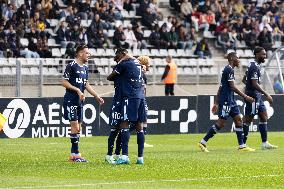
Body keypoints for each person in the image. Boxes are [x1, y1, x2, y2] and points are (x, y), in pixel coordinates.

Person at [198, 52, 255, 152]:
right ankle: (202, 142)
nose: (239, 60)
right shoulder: (228, 70)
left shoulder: (228, 69)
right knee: (221, 123)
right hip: (226, 101)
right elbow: (232, 87)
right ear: (232, 58)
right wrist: (245, 96)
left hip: (231, 100)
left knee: (238, 120)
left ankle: (242, 146)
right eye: (238, 58)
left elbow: (221, 87)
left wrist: (216, 102)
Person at [62, 44, 104, 162]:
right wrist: (77, 90)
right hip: (71, 100)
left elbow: (86, 84)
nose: (88, 55)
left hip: (80, 102)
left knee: (78, 128)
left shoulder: (85, 68)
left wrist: (96, 96)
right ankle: (75, 155)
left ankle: (74, 155)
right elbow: (64, 82)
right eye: (87, 53)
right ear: (80, 53)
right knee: (75, 126)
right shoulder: (71, 66)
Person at [107, 48, 146, 165]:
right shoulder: (138, 63)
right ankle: (140, 158)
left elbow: (109, 77)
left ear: (123, 54)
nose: (118, 59)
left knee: (124, 124)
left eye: (118, 56)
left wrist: (120, 62)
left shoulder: (124, 64)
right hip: (140, 97)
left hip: (129, 97)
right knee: (140, 126)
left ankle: (124, 156)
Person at [242, 46, 278, 150]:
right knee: (248, 120)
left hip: (257, 96)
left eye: (265, 54)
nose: (265, 56)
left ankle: (264, 143)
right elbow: (254, 83)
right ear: (257, 54)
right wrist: (266, 94)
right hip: (252, 97)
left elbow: (245, 80)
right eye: (263, 54)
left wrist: (251, 87)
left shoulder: (255, 65)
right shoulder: (254, 66)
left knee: (264, 116)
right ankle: (242, 144)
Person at [137, 55, 153, 148]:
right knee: (140, 120)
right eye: (148, 64)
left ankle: (143, 140)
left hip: (141, 99)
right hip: (139, 99)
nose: (149, 66)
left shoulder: (143, 74)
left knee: (144, 119)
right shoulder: (141, 74)